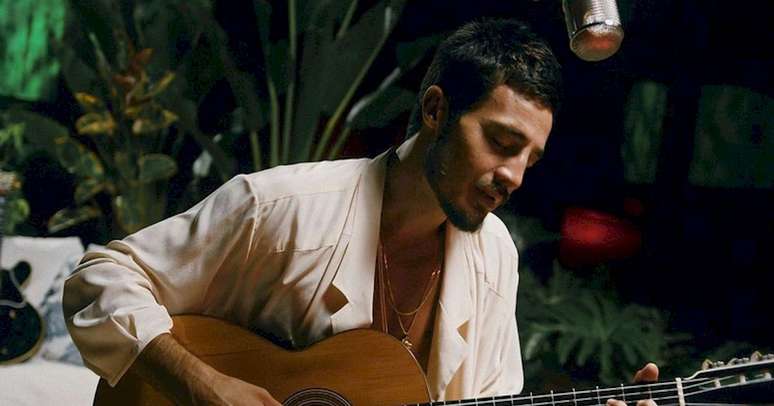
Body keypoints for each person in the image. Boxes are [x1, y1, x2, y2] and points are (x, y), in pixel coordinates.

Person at [64, 18, 656, 405]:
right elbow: (101, 279)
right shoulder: (282, 207)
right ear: (435, 110)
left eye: (531, 158)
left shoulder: (495, 254)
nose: (515, 175)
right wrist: (203, 384)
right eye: (502, 142)